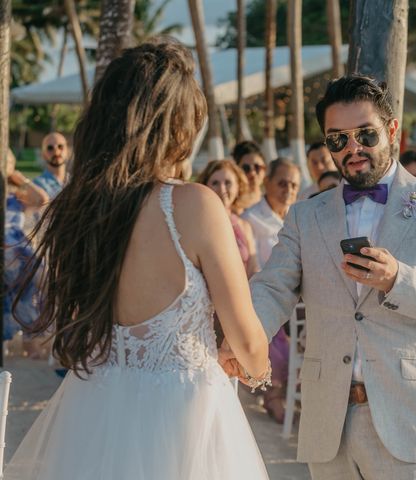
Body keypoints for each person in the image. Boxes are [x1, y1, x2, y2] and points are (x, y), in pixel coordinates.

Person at [5, 39, 270, 480]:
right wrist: (256, 369)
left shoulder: (80, 210)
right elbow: (246, 337)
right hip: (185, 418)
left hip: (94, 408)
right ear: (176, 125)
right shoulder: (195, 206)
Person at [228, 75, 416, 479]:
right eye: (337, 139)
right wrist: (240, 337)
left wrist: (398, 280)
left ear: (391, 130)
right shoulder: (305, 215)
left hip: (409, 421)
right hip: (326, 423)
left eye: (365, 134)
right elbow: (273, 287)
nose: (352, 148)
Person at [241, 157, 301, 423]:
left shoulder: (300, 218)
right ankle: (273, 394)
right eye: (282, 182)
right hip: (262, 294)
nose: (288, 189)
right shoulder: (251, 218)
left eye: (294, 185)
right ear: (267, 183)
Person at [3, 149, 49, 351]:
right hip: (9, 251)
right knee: (35, 273)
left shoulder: (15, 196)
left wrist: (16, 175)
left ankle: (38, 334)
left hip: (19, 249)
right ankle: (33, 336)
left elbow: (41, 199)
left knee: (45, 277)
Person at [197, 159, 258, 277]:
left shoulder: (244, 226)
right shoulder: (199, 225)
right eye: (215, 183)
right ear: (205, 187)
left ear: (238, 186)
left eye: (228, 182)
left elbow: (253, 268)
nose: (222, 189)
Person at [232, 140, 267, 210]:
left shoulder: (273, 200)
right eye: (246, 168)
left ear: (265, 168)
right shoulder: (231, 204)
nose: (252, 173)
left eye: (257, 167)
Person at [34, 131, 70, 198]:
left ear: (68, 151)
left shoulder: (76, 182)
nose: (56, 151)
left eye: (60, 146)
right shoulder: (36, 185)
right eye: (50, 148)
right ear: (43, 154)